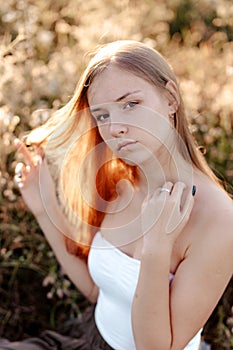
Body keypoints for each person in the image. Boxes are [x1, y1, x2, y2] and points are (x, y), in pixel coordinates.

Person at [3, 40, 233, 350]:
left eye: (130, 104)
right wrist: (44, 206)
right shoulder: (118, 179)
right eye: (102, 115)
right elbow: (98, 291)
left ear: (170, 99)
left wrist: (155, 247)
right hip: (87, 339)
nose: (116, 129)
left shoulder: (220, 219)